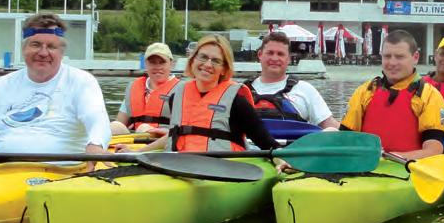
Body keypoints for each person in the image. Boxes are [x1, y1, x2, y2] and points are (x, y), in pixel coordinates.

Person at [0, 13, 111, 166]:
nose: (43, 53)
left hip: (63, 175)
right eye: (35, 45)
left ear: (61, 52)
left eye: (51, 47)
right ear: (24, 49)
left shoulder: (81, 81)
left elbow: (97, 120)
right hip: (5, 174)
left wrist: (96, 145)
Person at [135, 35, 279, 153]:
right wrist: (138, 152)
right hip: (179, 167)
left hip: (221, 170)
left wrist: (280, 160)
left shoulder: (237, 103)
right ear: (193, 60)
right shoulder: (176, 97)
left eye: (216, 61)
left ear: (224, 69)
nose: (208, 65)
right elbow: (175, 136)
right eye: (203, 57)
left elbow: (267, 144)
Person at [340, 29, 444, 160]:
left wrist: (389, 158)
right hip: (366, 168)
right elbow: (344, 140)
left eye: (399, 57)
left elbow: (434, 151)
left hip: (407, 169)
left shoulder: (429, 96)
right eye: (387, 56)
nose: (392, 63)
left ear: (415, 57)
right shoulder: (365, 92)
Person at [249, 31, 339, 129]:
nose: (275, 58)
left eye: (280, 54)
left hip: (295, 139)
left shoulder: (305, 89)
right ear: (260, 55)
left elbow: (329, 125)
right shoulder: (243, 91)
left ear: (289, 59)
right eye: (270, 53)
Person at [110, 42, 181, 135]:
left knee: (143, 128)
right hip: (136, 138)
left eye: (162, 62)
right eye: (153, 62)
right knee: (114, 126)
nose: (158, 67)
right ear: (146, 64)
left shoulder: (181, 90)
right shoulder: (134, 88)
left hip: (166, 137)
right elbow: (120, 121)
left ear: (171, 64)